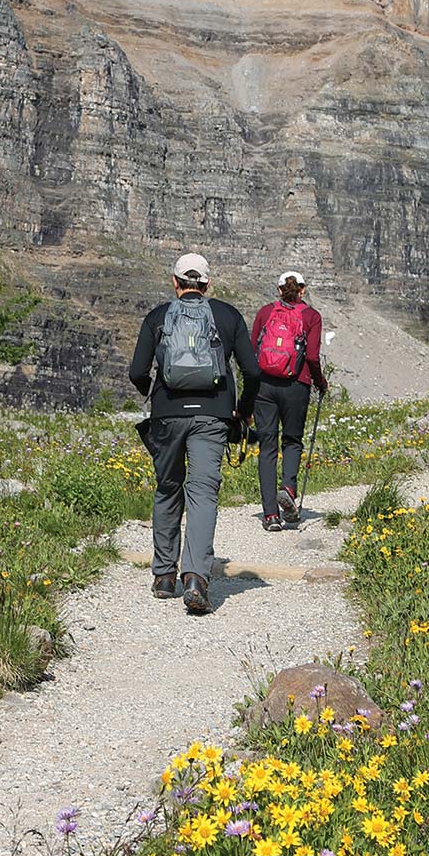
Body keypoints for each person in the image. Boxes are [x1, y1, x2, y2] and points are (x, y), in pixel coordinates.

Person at [129, 252, 259, 614]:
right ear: (207, 284)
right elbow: (253, 371)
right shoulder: (228, 315)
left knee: (168, 487)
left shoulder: (158, 317)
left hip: (167, 416)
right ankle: (196, 578)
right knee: (202, 493)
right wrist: (242, 413)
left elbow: (137, 370)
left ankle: (164, 576)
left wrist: (153, 392)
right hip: (213, 416)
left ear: (175, 283)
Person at [250, 266, 327, 530]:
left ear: (279, 290)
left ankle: (270, 515)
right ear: (303, 289)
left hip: (264, 387)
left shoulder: (265, 312)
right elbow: (313, 357)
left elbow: (252, 351)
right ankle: (289, 490)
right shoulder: (311, 316)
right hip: (297, 384)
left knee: (267, 447)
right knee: (292, 440)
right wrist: (320, 381)